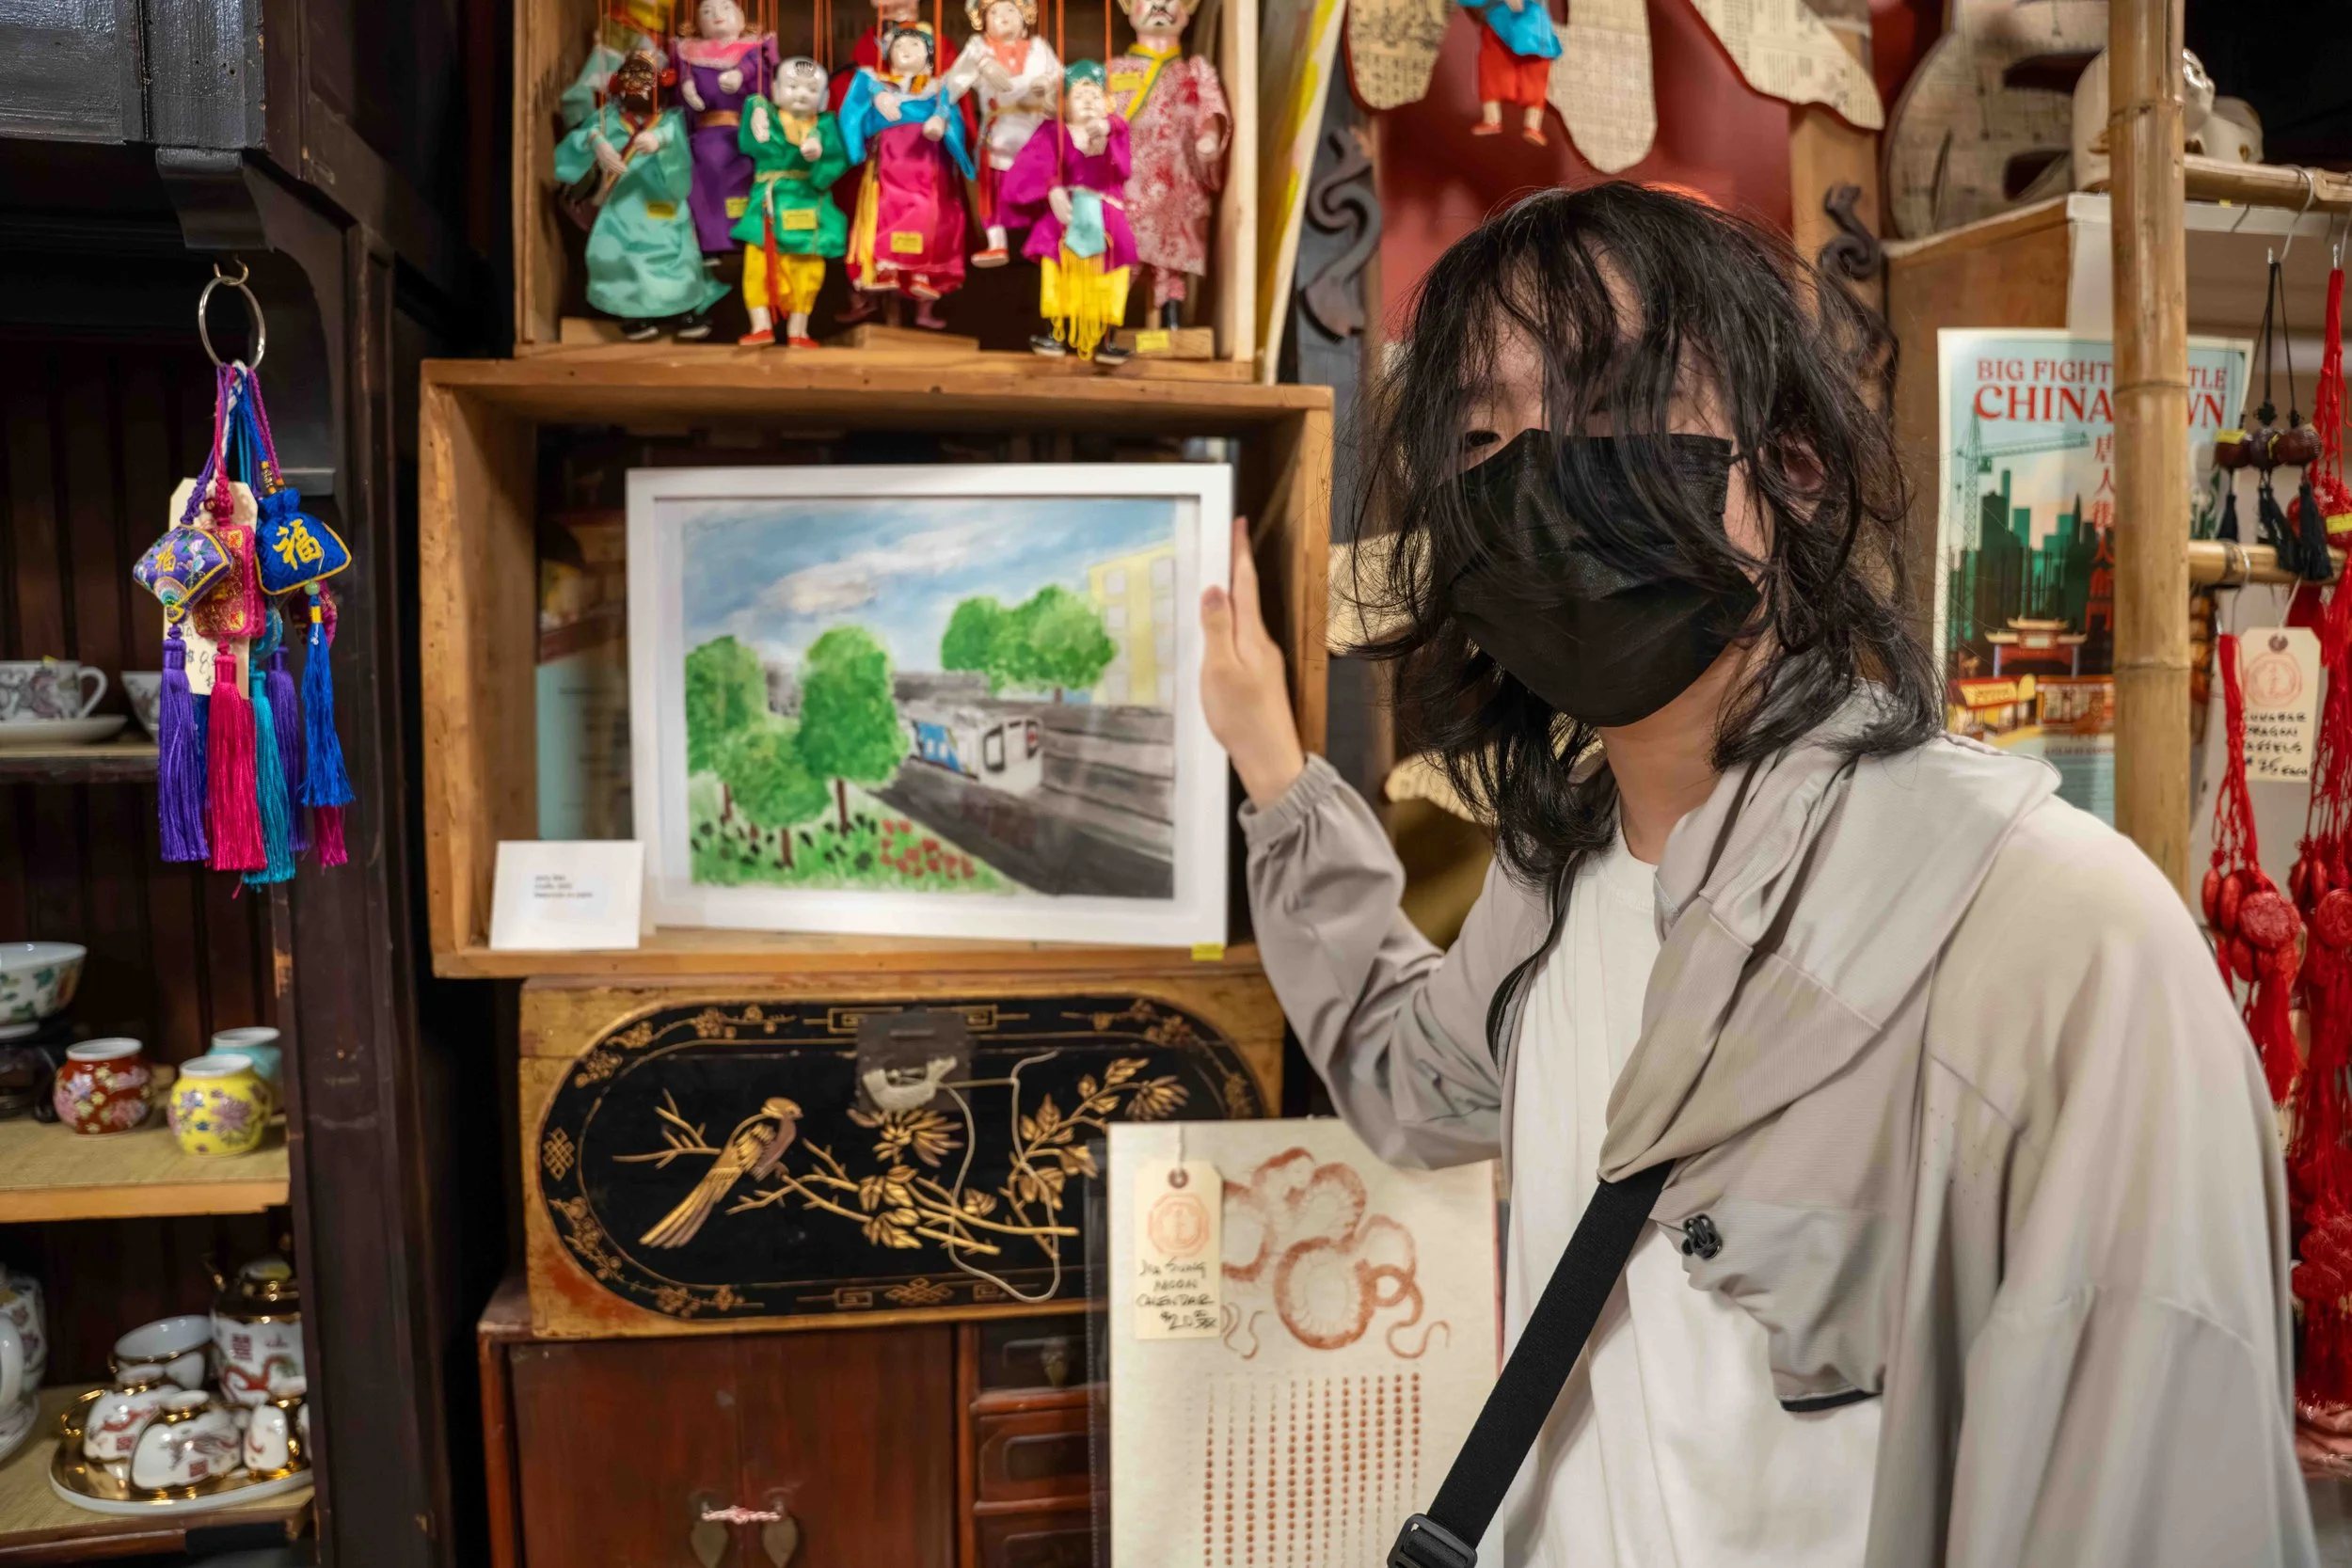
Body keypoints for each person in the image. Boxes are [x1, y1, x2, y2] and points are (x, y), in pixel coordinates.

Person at [1199, 182, 2317, 1565]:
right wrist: (1270, 764)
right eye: (1484, 437)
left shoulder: (2060, 943)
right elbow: (1401, 1073)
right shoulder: (1551, 887)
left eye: (1615, 404)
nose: (1543, 475)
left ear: (1790, 470)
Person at [1001, 61, 1134, 365]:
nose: (1087, 100)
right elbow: (1031, 167)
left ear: (1107, 103)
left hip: (1106, 216)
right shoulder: (1053, 132)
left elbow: (1123, 163)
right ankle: (1055, 332)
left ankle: (1106, 339)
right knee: (1056, 273)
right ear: (1064, 104)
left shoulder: (1114, 129)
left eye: (1094, 95)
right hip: (1065, 215)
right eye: (1078, 95)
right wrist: (1052, 187)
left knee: (1110, 276)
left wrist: (1107, 127)